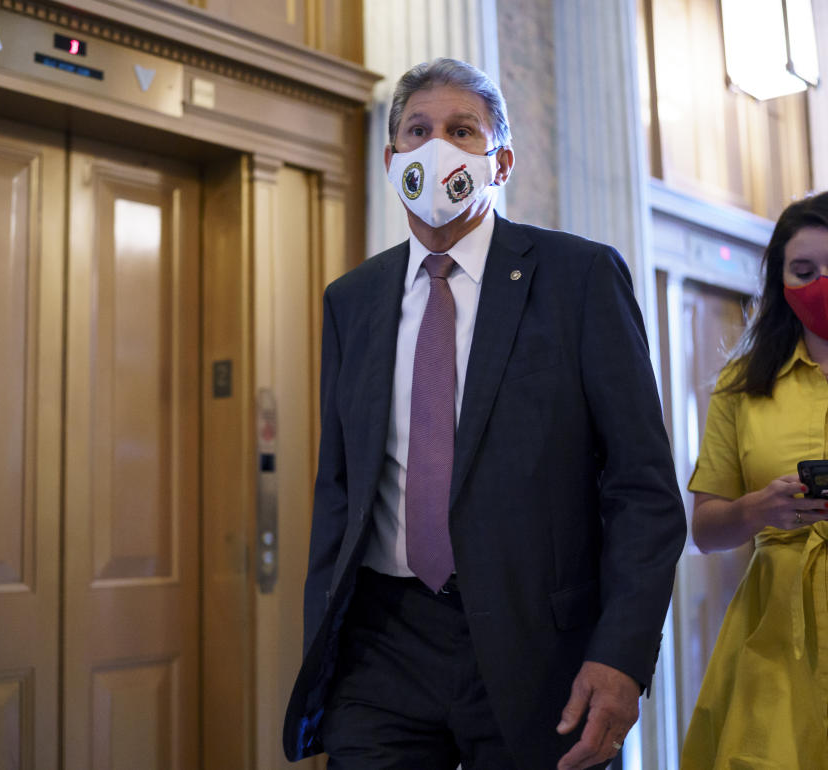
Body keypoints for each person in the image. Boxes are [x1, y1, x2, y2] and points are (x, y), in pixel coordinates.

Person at [283, 57, 686, 770]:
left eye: (461, 130)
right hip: (382, 646)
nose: (436, 147)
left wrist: (623, 656)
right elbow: (339, 491)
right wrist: (325, 644)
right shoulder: (353, 300)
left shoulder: (580, 279)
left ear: (500, 161)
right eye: (419, 130)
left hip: (539, 648)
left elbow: (642, 490)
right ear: (392, 157)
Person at [680, 191, 828, 769]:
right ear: (781, 283)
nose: (823, 284)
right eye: (802, 272)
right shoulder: (742, 385)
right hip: (777, 637)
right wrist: (759, 510)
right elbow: (705, 529)